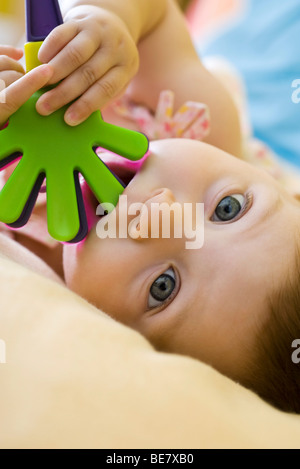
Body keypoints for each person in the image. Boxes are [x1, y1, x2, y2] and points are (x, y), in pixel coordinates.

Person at [0, 0, 300, 414]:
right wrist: (109, 25)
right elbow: (156, 16)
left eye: (164, 286)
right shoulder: (200, 125)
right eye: (228, 209)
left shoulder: (36, 285)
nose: (161, 213)